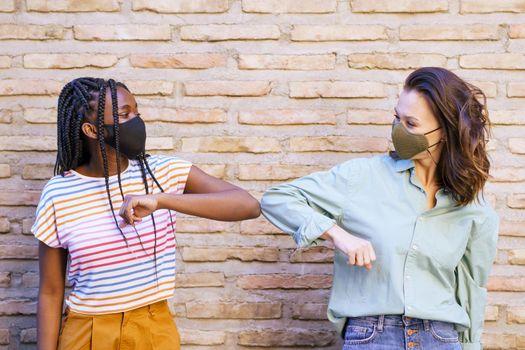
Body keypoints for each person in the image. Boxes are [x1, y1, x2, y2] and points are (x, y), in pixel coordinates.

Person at [261, 67, 499, 349]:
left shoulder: (472, 205)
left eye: (411, 124)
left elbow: (472, 288)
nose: (399, 129)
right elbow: (277, 198)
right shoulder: (361, 177)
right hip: (373, 335)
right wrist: (338, 234)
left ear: (445, 133)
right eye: (397, 117)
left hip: (441, 337)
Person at [32, 77, 261, 350]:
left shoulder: (164, 172)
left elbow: (248, 205)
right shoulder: (59, 193)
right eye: (124, 114)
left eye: (137, 112)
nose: (136, 121)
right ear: (92, 130)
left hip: (153, 328)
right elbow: (50, 291)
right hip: (88, 331)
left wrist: (162, 200)